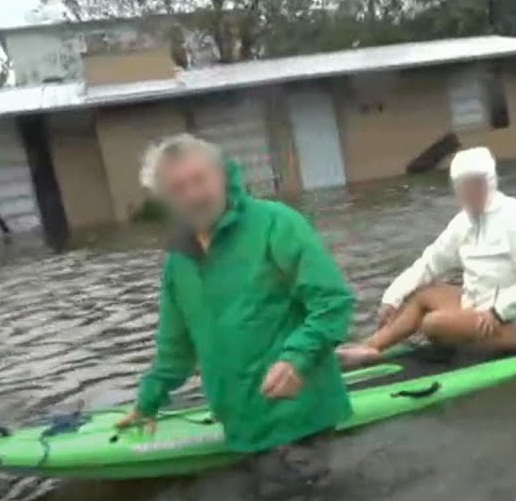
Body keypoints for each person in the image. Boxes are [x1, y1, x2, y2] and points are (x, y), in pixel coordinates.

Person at [116, 134, 356, 453]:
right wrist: (148, 401)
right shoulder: (179, 262)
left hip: (298, 419)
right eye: (177, 188)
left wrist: (297, 359)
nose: (193, 194)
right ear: (166, 200)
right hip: (241, 427)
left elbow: (332, 300)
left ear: (223, 175)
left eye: (200, 179)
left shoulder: (276, 224)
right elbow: (176, 348)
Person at [337, 147, 516, 366]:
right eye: (463, 186)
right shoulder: (462, 223)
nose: (469, 192)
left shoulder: (515, 216)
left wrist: (498, 312)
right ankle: (368, 348)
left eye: (475, 183)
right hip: (477, 307)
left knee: (433, 324)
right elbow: (429, 263)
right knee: (423, 293)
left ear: (490, 182)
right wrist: (392, 298)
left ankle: (464, 344)